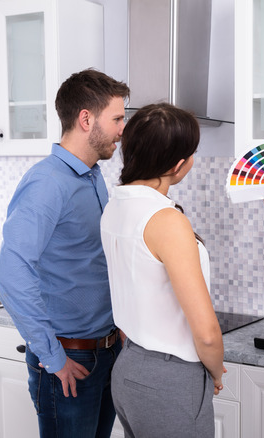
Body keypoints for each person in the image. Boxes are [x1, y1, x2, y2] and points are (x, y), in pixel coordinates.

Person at [0, 68, 130, 438]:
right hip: (70, 358)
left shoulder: (92, 176)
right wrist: (53, 357)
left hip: (104, 352)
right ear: (86, 119)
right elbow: (11, 273)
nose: (122, 129)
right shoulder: (47, 183)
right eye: (117, 118)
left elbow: (92, 261)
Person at [100, 103, 225, 437]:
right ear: (178, 165)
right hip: (170, 380)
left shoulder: (115, 206)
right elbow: (207, 334)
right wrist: (215, 371)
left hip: (128, 368)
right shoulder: (167, 221)